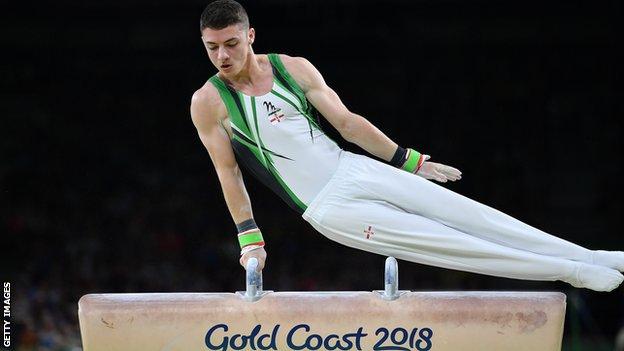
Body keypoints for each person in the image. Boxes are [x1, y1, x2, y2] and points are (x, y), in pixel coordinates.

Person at [190, 0, 624, 292]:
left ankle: (586, 253)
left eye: (231, 44)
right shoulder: (209, 103)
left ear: (250, 36)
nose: (223, 56)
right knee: (447, 242)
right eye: (212, 48)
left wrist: (409, 162)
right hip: (328, 207)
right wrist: (250, 238)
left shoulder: (291, 68)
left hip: (352, 167)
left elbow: (347, 123)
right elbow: (228, 172)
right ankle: (572, 273)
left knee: (469, 214)